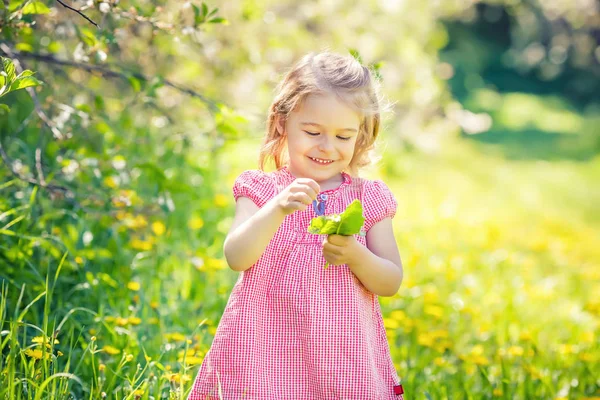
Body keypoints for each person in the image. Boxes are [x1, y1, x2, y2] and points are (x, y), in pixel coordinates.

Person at [188, 51, 405, 400]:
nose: (327, 147)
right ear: (282, 123)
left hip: (342, 358)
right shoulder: (261, 191)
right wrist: (276, 209)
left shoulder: (368, 199)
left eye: (343, 136)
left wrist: (354, 254)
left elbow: (390, 280)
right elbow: (236, 256)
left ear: (361, 136)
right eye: (313, 131)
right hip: (263, 355)